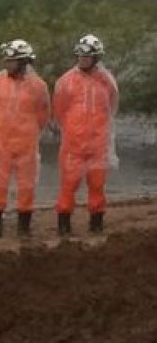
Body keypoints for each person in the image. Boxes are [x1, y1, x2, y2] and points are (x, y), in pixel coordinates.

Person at [53, 34, 119, 235]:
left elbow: (112, 107)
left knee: (97, 186)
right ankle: (63, 227)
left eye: (86, 57)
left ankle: (96, 225)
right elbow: (59, 110)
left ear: (96, 58)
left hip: (99, 145)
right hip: (73, 145)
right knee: (68, 186)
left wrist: (100, 132)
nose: (82, 60)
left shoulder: (107, 81)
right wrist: (73, 131)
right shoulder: (66, 81)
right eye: (80, 56)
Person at [0, 39, 50, 237]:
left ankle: (24, 228)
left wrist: (29, 132)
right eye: (7, 61)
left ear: (24, 62)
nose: (8, 64)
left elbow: (44, 114)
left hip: (26, 145)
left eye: (12, 61)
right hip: (0, 143)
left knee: (26, 187)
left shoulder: (38, 86)